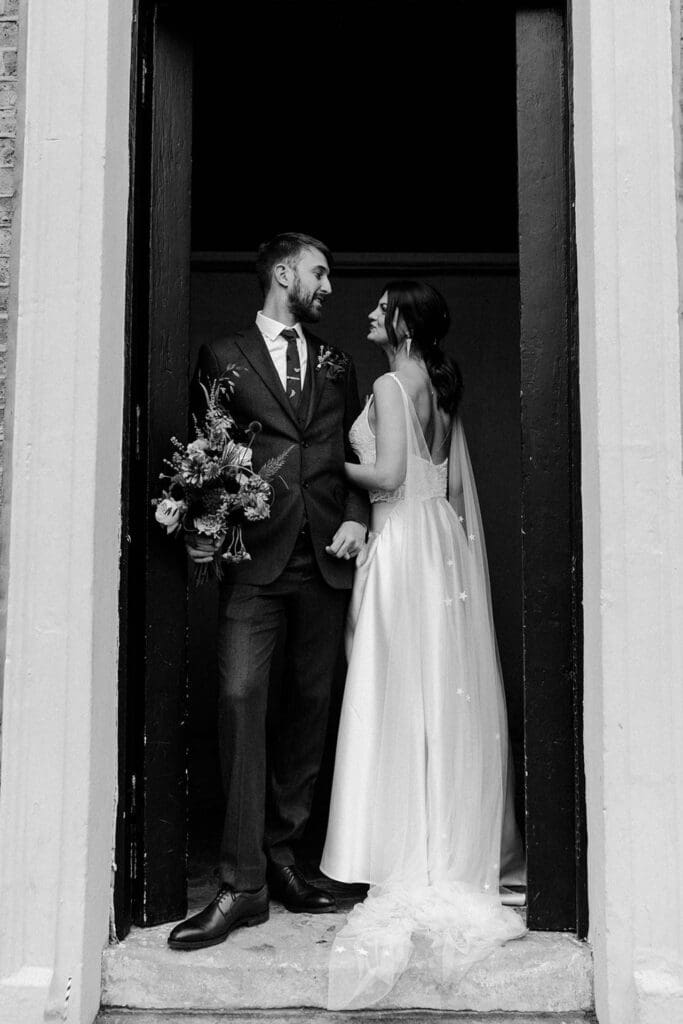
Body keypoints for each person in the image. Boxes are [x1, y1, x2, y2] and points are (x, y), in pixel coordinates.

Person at [320, 281, 526, 1009]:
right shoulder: (436, 384)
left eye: (381, 308)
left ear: (403, 324)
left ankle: (404, 851)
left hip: (403, 541)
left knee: (394, 690)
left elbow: (385, 476)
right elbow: (441, 484)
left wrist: (316, 462)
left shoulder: (387, 381)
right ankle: (441, 841)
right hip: (438, 541)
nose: (369, 314)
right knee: (436, 692)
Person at [168, 232, 368, 951]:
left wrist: (353, 518)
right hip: (254, 563)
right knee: (239, 699)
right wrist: (203, 526)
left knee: (309, 711)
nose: (329, 287)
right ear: (283, 273)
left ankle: (286, 860)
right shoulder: (222, 356)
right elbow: (204, 449)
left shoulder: (337, 362)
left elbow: (352, 450)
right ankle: (241, 883)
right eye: (321, 272)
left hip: (324, 561)